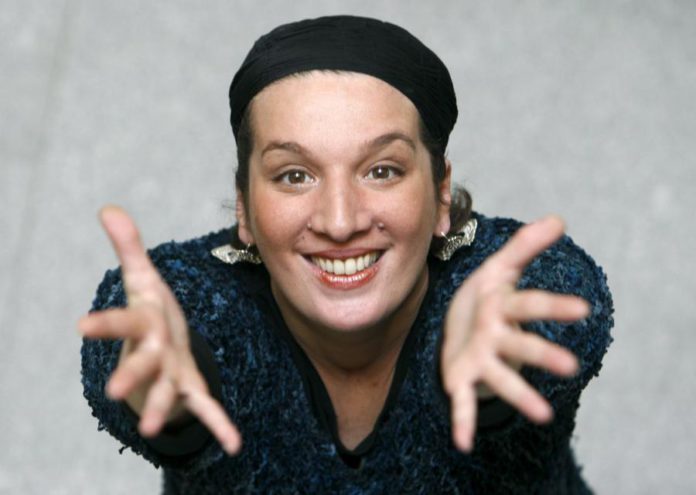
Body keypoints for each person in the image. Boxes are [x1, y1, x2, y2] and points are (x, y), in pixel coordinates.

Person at [79, 15, 613, 494]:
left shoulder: (518, 274)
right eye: (295, 175)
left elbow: (563, 299)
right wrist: (170, 393)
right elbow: (150, 334)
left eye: (382, 170)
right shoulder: (191, 298)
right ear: (244, 205)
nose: (340, 222)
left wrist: (498, 367)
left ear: (440, 191)